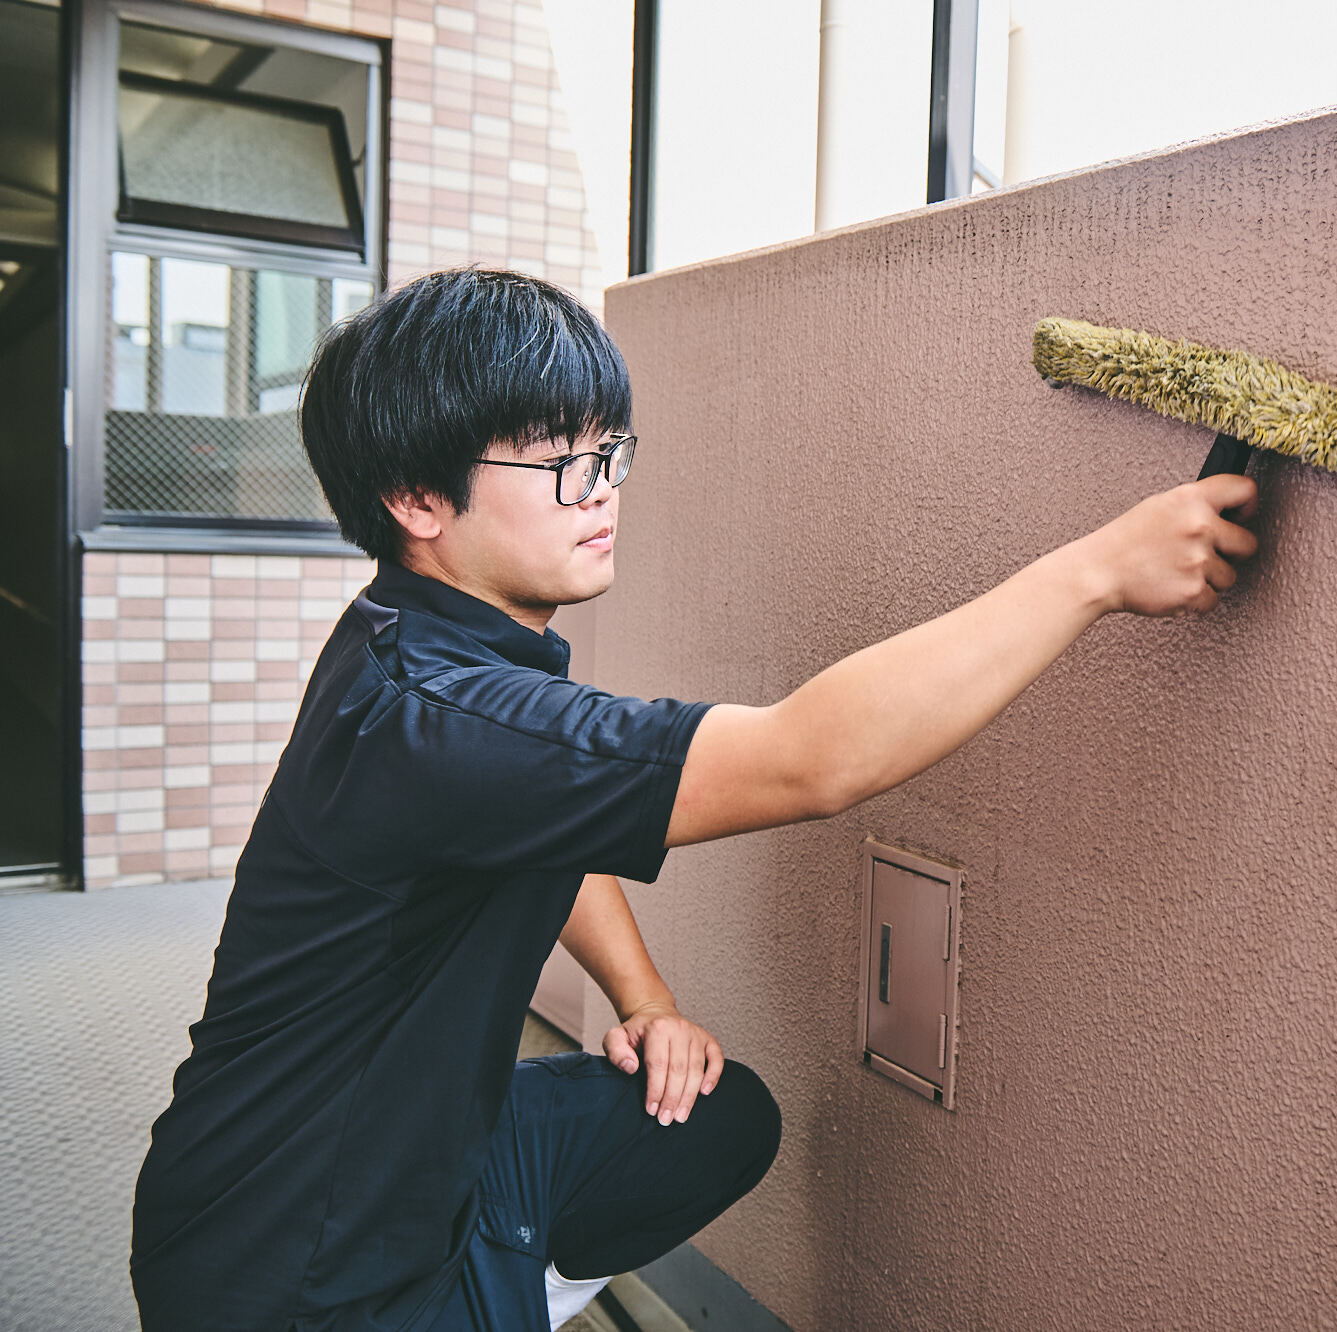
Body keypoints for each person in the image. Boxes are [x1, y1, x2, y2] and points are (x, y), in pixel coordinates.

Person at [128, 267, 1259, 1331]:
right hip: (288, 1267)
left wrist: (645, 999)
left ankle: (493, 1266)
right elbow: (810, 758)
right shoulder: (439, 719)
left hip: (403, 1156)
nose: (602, 492)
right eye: (557, 464)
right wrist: (1095, 573)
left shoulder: (419, 636)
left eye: (609, 451)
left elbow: (544, 830)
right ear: (418, 497)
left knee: (710, 1118)